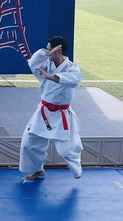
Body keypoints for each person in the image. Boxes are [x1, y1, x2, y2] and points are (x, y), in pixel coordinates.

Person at [19, 35, 83, 181]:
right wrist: (47, 53)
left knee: (66, 150)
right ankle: (37, 170)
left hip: (62, 114)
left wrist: (50, 77)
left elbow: (74, 81)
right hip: (43, 111)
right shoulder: (46, 64)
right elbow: (33, 62)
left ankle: (77, 170)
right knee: (29, 143)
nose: (47, 53)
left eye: (50, 50)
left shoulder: (72, 68)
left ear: (59, 50)